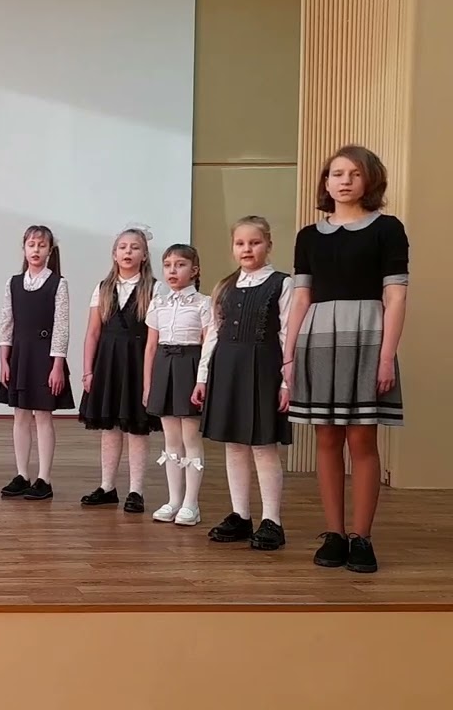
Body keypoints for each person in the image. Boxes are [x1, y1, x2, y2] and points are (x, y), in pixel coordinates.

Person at [286, 145, 409, 573]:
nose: (344, 181)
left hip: (367, 338)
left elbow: (395, 297)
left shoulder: (388, 229)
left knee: (362, 440)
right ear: (325, 181)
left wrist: (387, 356)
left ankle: (362, 537)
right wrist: (288, 354)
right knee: (326, 439)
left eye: (354, 173)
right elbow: (301, 297)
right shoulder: (307, 236)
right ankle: (334, 533)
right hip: (318, 338)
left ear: (370, 180)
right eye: (336, 173)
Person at [193, 216, 292, 551]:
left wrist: (286, 382)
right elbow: (213, 334)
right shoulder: (225, 286)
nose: (247, 249)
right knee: (234, 445)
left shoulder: (282, 284)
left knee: (263, 445)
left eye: (255, 242)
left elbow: (287, 334)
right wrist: (203, 376)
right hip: (227, 368)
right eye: (240, 243)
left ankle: (272, 520)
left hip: (264, 368)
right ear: (233, 247)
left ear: (268, 245)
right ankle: (240, 514)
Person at [78, 225, 163, 512]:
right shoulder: (103, 288)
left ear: (144, 255)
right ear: (114, 254)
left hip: (138, 363)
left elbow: (156, 337)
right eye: (123, 247)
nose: (128, 252)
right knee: (110, 427)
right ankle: (107, 486)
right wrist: (88, 371)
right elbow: (92, 332)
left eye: (135, 247)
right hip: (108, 363)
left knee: (136, 428)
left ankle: (136, 491)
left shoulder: (155, 288)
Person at [0, 225, 73, 501]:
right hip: (20, 355)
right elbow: (7, 323)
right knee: (20, 416)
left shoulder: (58, 283)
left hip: (44, 356)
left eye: (41, 245)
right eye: (31, 245)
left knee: (43, 416)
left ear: (50, 250)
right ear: (24, 248)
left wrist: (57, 365)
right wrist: (4, 361)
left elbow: (61, 327)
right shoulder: (13, 283)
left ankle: (44, 478)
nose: (36, 250)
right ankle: (22, 475)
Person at [143, 243, 210, 526]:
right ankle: (173, 500)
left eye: (180, 265)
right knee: (170, 439)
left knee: (190, 438)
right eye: (168, 265)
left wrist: (201, 379)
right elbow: (150, 347)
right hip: (164, 366)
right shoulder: (158, 302)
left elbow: (207, 344)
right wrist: (148, 384)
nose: (173, 270)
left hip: (190, 366)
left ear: (194, 270)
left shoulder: (203, 303)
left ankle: (191, 503)